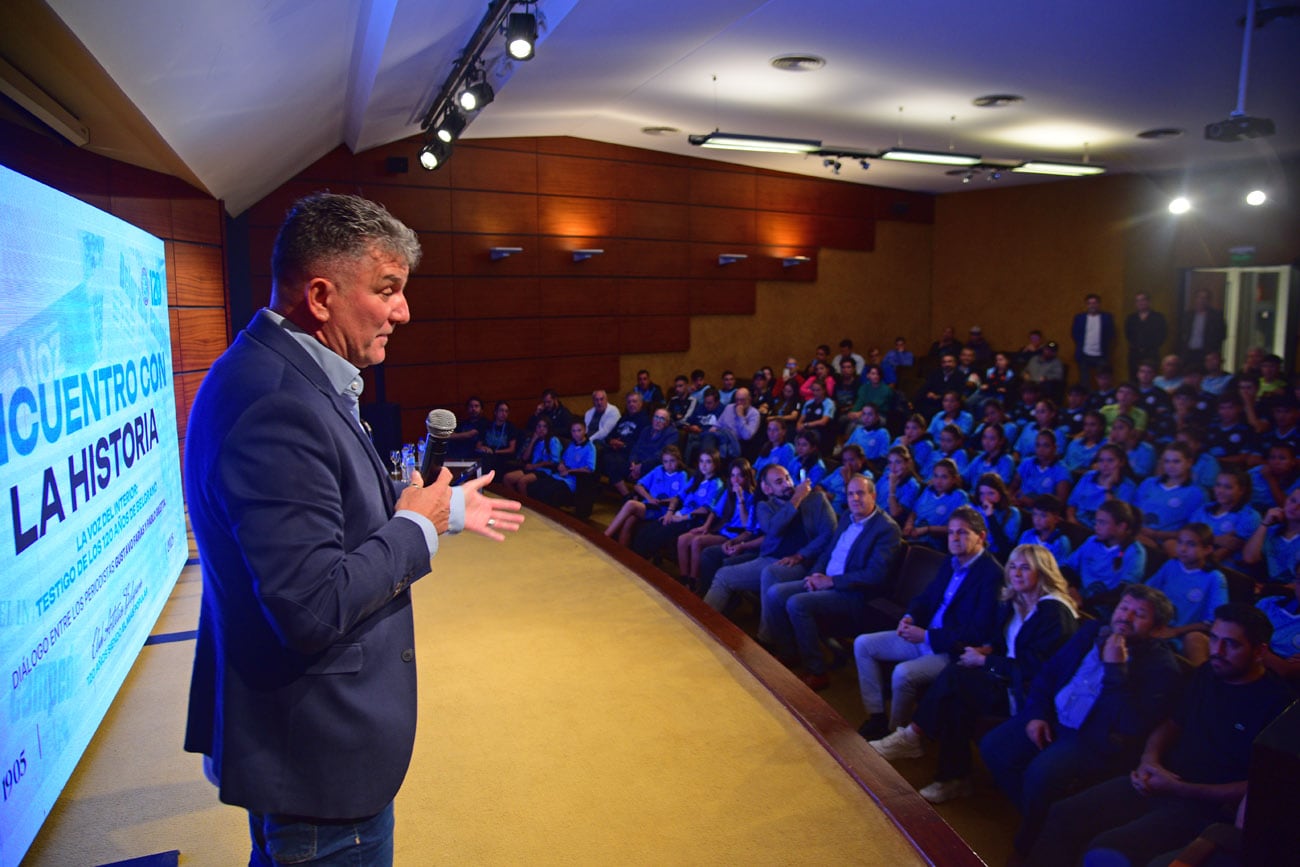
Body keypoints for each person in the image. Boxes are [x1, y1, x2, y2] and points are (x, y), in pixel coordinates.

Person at [183, 193, 524, 865]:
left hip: (297, 738)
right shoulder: (278, 404)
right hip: (316, 753)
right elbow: (310, 604)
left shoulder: (279, 373)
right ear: (319, 295)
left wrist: (436, 510)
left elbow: (321, 510)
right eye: (387, 289)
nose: (404, 310)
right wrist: (414, 531)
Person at [1026, 605, 1294, 867]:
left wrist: (1181, 788)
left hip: (1201, 805)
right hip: (1158, 779)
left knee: (1106, 850)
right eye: (1214, 639)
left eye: (1231, 645)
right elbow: (1172, 724)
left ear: (1259, 651)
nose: (1217, 651)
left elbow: (1256, 787)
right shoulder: (1207, 674)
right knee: (1063, 814)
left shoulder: (1278, 704)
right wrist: (1149, 759)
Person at [978, 585, 1183, 858]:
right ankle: (1038, 819)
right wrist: (1037, 714)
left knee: (1040, 776)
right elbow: (1049, 672)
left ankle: (1028, 846)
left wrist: (1115, 669)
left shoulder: (1161, 668)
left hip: (1092, 738)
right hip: (1052, 716)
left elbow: (1130, 724)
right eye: (1124, 608)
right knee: (993, 747)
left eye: (1139, 614)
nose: (1126, 617)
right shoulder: (1092, 631)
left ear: (1157, 629)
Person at [876, 546, 1078, 804]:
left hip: (1029, 694)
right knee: (958, 688)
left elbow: (1038, 668)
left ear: (1044, 572)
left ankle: (914, 736)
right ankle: (954, 779)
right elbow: (1003, 643)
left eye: (1025, 568)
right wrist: (987, 650)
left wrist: (986, 660)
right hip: (1005, 678)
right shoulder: (1016, 600)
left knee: (957, 679)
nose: (1016, 573)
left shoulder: (1054, 612)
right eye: (1013, 566)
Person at [856, 506, 1003, 739]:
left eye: (962, 533)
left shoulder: (991, 574)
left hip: (949, 650)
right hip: (923, 633)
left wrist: (926, 636)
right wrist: (910, 616)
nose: (954, 538)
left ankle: (895, 735)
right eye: (951, 532)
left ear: (981, 537)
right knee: (863, 644)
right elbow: (927, 597)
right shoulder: (951, 561)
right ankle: (876, 717)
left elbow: (977, 631)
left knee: (903, 674)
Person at [763, 474, 903, 691]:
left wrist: (830, 581)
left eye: (860, 493)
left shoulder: (886, 529)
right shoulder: (847, 516)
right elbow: (828, 553)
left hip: (853, 593)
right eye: (850, 494)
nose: (855, 498)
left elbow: (875, 575)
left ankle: (816, 671)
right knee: (775, 593)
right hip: (825, 581)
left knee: (797, 603)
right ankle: (789, 655)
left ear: (873, 495)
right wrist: (815, 575)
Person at [703, 463, 837, 636]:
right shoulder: (765, 507)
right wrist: (796, 499)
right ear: (767, 488)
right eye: (779, 482)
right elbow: (774, 529)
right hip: (770, 558)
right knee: (723, 575)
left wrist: (801, 554)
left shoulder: (815, 499)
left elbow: (829, 533)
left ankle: (767, 639)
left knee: (770, 573)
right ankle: (702, 623)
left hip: (806, 562)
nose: (787, 484)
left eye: (788, 478)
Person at [1146, 523, 1229, 665]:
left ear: (1207, 549)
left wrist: (1176, 631)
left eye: (1191, 544)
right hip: (1157, 627)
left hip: (1182, 636)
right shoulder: (1171, 565)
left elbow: (1214, 621)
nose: (1183, 549)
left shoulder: (1214, 578)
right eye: (1180, 542)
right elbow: (1147, 591)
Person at [526, 419, 596, 506]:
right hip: (558, 475)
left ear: (585, 431)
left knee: (549, 491)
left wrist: (569, 471)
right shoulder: (572, 444)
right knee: (536, 485)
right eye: (573, 431)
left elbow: (590, 469)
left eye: (579, 430)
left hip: (571, 481)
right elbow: (563, 459)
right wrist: (561, 464)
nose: (576, 434)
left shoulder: (590, 448)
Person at [1071, 293, 1117, 385]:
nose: (1092, 305)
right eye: (1089, 303)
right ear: (1086, 305)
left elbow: (1111, 333)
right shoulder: (1079, 318)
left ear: (1099, 304)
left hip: (1101, 355)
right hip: (1084, 355)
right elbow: (1075, 333)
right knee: (1084, 381)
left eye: (1094, 303)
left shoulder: (1106, 317)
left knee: (1103, 381)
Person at [1180, 288, 1228, 369]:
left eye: (1204, 298)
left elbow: (1222, 334)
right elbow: (1181, 333)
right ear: (1195, 299)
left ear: (1209, 300)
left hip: (1207, 353)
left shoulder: (1216, 316)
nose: (1201, 300)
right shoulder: (1188, 315)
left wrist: (1213, 349)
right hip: (1189, 352)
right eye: (1199, 297)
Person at [1125, 292, 1168, 380]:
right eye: (1138, 301)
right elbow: (1128, 334)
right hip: (1135, 354)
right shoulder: (1131, 318)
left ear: (1148, 302)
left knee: (1151, 378)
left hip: (1151, 353)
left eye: (1143, 300)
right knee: (1134, 378)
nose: (1140, 303)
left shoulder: (1158, 318)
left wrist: (1150, 346)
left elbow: (1162, 335)